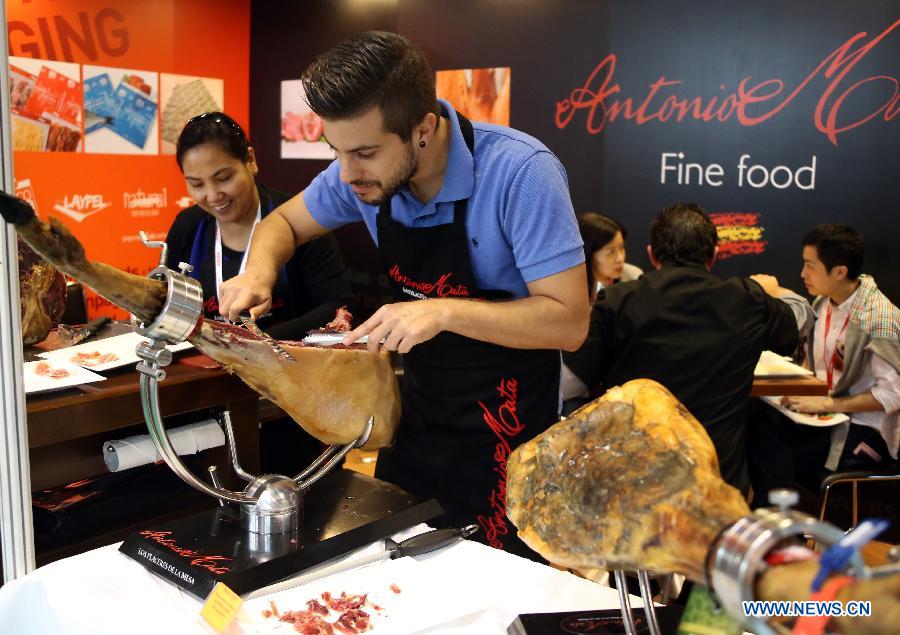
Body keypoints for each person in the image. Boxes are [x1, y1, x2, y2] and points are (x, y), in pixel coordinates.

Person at [218, 32, 588, 558]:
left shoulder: (521, 173)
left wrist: (442, 311)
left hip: (511, 438)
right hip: (414, 424)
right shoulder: (360, 175)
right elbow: (284, 223)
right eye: (337, 152)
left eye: (365, 153)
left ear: (423, 129)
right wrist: (259, 271)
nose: (347, 174)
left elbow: (570, 322)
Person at [563, 203, 810, 494]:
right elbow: (801, 317)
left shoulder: (616, 303)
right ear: (714, 257)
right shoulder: (748, 300)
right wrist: (774, 291)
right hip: (719, 486)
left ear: (653, 256)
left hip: (636, 485)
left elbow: (569, 385)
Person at [165, 111, 354, 474]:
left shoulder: (296, 225)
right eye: (196, 183)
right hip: (212, 401)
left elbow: (337, 307)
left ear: (250, 161)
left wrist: (250, 342)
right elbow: (172, 299)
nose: (212, 195)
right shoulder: (188, 228)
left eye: (223, 177)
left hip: (298, 403)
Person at [750, 224, 900, 500]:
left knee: (770, 450)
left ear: (839, 272)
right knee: (759, 422)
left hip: (865, 430)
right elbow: (817, 365)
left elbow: (892, 394)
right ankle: (773, 524)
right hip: (827, 414)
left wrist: (828, 404)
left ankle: (778, 528)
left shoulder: (879, 319)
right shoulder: (824, 302)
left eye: (810, 266)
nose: (802, 274)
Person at [561, 213, 642, 412]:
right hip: (579, 372)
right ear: (589, 254)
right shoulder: (568, 287)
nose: (620, 259)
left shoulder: (634, 279)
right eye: (610, 252)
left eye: (622, 248)